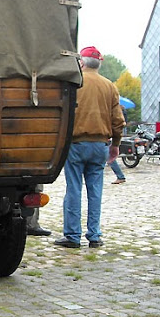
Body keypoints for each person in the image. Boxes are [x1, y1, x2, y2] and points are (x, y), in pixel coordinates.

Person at [54, 46, 124, 249]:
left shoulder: (75, 83)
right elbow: (118, 120)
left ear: (81, 63)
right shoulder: (109, 86)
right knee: (95, 191)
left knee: (74, 189)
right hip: (100, 144)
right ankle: (94, 235)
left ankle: (72, 236)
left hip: (76, 144)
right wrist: (116, 144)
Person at [108, 105, 127, 184]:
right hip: (109, 137)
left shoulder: (111, 111)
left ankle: (120, 176)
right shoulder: (117, 111)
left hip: (106, 138)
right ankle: (120, 176)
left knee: (110, 159)